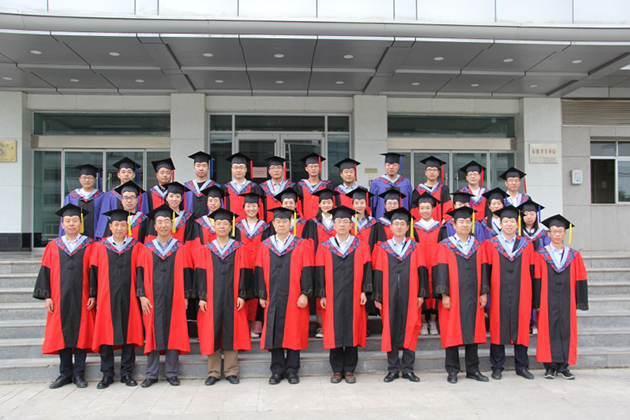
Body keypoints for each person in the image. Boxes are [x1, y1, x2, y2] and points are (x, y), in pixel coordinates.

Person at [34, 204, 95, 389]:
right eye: (68, 221)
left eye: (75, 220)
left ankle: (79, 374)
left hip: (83, 296)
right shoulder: (53, 246)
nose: (71, 224)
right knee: (62, 333)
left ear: (80, 223)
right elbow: (45, 271)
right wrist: (47, 296)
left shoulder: (89, 245)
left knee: (82, 333)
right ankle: (65, 373)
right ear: (62, 224)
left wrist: (93, 294)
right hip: (59, 297)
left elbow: (94, 272)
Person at [136, 203, 194, 387]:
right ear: (154, 226)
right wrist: (142, 295)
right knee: (152, 332)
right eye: (159, 222)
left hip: (175, 296)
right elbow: (140, 273)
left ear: (172, 224)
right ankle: (151, 374)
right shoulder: (147, 248)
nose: (163, 225)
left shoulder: (180, 247)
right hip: (151, 297)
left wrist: (185, 296)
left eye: (167, 221)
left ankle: (172, 373)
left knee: (174, 331)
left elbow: (186, 273)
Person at [194, 208, 254, 386]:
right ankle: (213, 372)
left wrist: (242, 295)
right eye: (218, 223)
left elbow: (245, 272)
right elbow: (200, 274)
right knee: (211, 331)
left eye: (225, 224)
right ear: (214, 227)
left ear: (230, 227)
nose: (221, 226)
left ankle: (231, 371)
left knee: (232, 330)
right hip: (211, 298)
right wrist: (202, 297)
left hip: (233, 297)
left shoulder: (239, 248)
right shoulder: (206, 249)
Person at [256, 207, 314, 385]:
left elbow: (307, 270)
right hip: (273, 296)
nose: (281, 224)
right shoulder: (266, 245)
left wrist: (304, 293)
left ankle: (292, 370)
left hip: (294, 296)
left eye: (284, 221)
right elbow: (259, 270)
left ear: (291, 223)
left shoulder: (301, 244)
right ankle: (277, 370)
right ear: (273, 224)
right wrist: (262, 294)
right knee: (274, 331)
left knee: (293, 331)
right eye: (278, 222)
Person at [316, 206, 372, 384]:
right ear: (333, 225)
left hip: (354, 295)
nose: (342, 224)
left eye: (345, 221)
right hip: (332, 295)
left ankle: (349, 369)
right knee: (334, 330)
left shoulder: (360, 245)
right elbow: (319, 272)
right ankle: (336, 370)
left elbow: (367, 269)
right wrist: (322, 294)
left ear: (351, 224)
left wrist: (364, 291)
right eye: (338, 221)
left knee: (352, 329)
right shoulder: (325, 246)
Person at [432, 207, 489, 384]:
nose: (465, 225)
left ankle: (473, 369)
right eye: (461, 222)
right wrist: (444, 294)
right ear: (454, 225)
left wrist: (483, 292)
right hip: (453, 297)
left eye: (468, 222)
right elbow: (441, 270)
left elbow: (484, 269)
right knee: (452, 332)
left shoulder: (477, 245)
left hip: (473, 295)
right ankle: (452, 370)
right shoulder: (445, 245)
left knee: (473, 331)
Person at [372, 208, 429, 383]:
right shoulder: (383, 248)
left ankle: (408, 369)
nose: (398, 227)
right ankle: (393, 369)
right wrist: (378, 296)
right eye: (396, 224)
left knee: (411, 327)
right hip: (388, 296)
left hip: (411, 295)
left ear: (407, 227)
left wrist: (421, 294)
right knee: (390, 329)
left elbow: (422, 271)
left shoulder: (415, 247)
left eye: (402, 224)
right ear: (390, 227)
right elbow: (378, 273)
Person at [90, 208, 144, 389]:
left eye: (122, 224)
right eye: (116, 225)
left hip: (129, 297)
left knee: (129, 333)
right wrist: (93, 294)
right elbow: (93, 273)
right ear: (110, 226)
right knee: (105, 333)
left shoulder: (135, 246)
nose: (120, 228)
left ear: (127, 227)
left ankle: (127, 372)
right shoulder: (100, 247)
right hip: (106, 297)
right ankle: (107, 373)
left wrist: (140, 294)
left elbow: (141, 273)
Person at [483, 206, 536, 381]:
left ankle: (522, 366)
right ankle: (497, 366)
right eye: (505, 221)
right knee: (498, 327)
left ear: (517, 223)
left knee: (521, 328)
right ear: (500, 223)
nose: (509, 224)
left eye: (512, 221)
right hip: (498, 293)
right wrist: (485, 292)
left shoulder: (526, 245)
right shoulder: (491, 244)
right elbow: (485, 271)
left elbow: (532, 270)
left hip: (522, 293)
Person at [534, 215, 588, 380]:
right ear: (548, 233)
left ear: (565, 233)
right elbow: (537, 278)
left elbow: (581, 278)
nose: (557, 234)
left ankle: (564, 367)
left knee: (566, 330)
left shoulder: (573, 255)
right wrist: (537, 301)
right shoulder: (541, 254)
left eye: (560, 231)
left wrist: (580, 300)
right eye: (554, 231)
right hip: (547, 299)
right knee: (547, 331)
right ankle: (550, 367)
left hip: (567, 299)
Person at [233, 192, 271, 338]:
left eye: (254, 206)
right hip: (243, 264)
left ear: (259, 208)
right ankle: (244, 324)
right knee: (243, 290)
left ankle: (257, 325)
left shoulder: (265, 227)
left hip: (260, 264)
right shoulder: (237, 226)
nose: (251, 209)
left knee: (259, 291)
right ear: (243, 208)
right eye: (248, 206)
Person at [412, 192, 442, 336]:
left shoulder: (440, 227)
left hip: (436, 264)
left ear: (433, 209)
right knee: (421, 289)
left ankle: (433, 321)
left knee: (435, 291)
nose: (425, 211)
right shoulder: (413, 228)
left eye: (427, 208)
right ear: (418, 209)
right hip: (421, 264)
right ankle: (423, 322)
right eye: (422, 208)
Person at [95, 157, 142, 239]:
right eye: (123, 172)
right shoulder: (110, 195)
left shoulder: (141, 194)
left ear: (134, 175)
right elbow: (105, 217)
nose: (126, 174)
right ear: (118, 175)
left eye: (129, 172)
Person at [60, 164, 103, 239]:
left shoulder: (101, 197)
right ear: (79, 179)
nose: (87, 180)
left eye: (90, 177)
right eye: (84, 177)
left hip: (95, 237)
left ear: (95, 179)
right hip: (75, 238)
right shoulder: (71, 197)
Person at [369, 153, 413, 219]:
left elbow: (409, 203)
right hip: (381, 220)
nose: (391, 167)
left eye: (394, 165)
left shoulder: (406, 182)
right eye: (388, 165)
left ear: (398, 166)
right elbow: (372, 205)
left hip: (402, 220)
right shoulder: (376, 183)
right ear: (385, 166)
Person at [223, 152, 265, 221]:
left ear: (246, 169)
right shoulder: (226, 188)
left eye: (241, 167)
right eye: (235, 167)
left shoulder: (254, 187)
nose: (238, 170)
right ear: (231, 170)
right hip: (231, 225)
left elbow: (260, 210)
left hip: (249, 225)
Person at [411, 156, 452, 224]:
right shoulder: (418, 190)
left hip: (439, 226)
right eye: (429, 170)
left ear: (438, 173)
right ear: (425, 172)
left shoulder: (443, 189)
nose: (432, 172)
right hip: (422, 227)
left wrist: (442, 223)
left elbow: (448, 208)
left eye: (435, 170)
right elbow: (414, 211)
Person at [189, 185, 227, 253]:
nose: (213, 203)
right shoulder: (200, 223)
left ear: (220, 203)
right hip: (204, 255)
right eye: (210, 201)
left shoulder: (226, 223)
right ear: (207, 203)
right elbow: (196, 244)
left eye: (216, 201)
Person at [296, 153, 333, 220]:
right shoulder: (300, 185)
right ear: (306, 169)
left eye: (316, 166)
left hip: (321, 221)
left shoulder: (327, 185)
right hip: (305, 221)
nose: (313, 169)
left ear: (319, 168)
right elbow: (298, 205)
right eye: (311, 166)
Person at [184, 151, 219, 219]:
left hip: (209, 223)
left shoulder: (215, 186)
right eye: (198, 165)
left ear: (208, 168)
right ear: (194, 168)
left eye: (204, 165)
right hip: (190, 223)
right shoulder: (187, 186)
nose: (201, 168)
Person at [261, 156, 295, 221]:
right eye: (273, 168)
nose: (276, 170)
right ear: (269, 171)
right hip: (267, 222)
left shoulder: (291, 186)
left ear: (283, 170)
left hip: (285, 222)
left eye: (279, 168)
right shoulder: (262, 187)